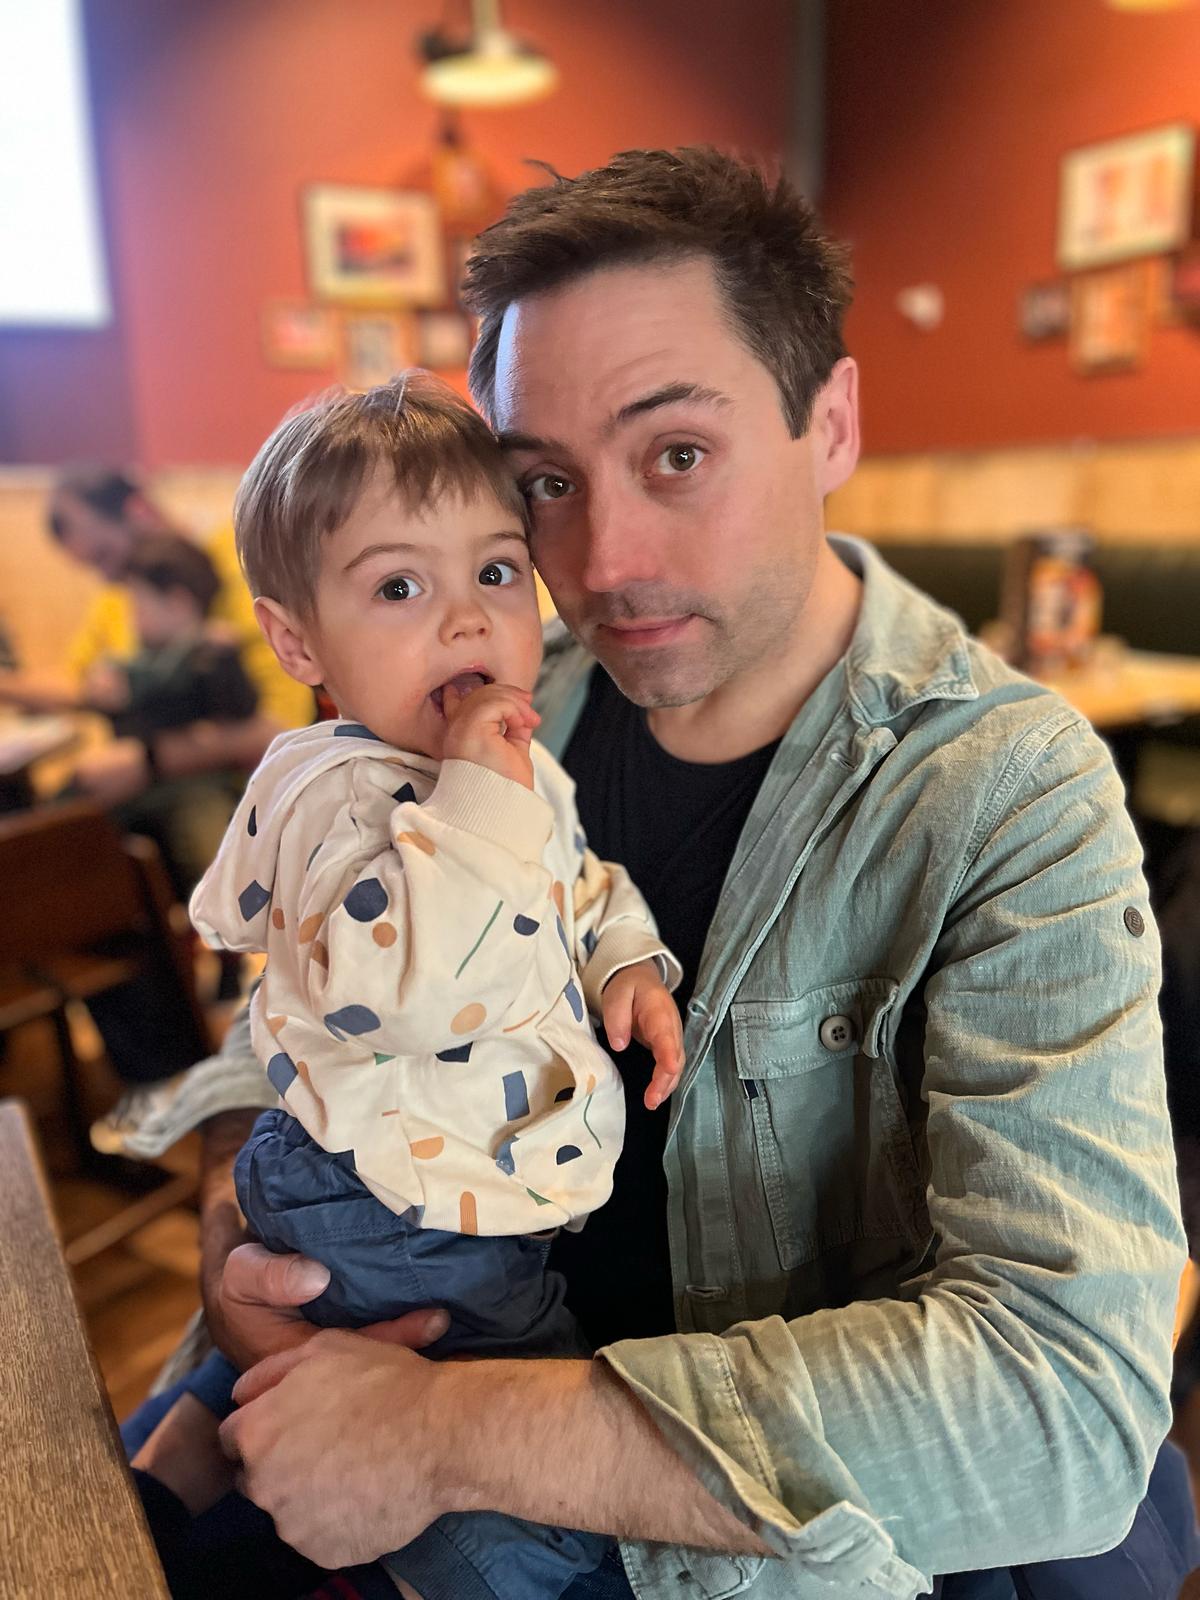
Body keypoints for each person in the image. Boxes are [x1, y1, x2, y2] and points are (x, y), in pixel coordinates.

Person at [125, 148, 1189, 1600]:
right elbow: (292, 1007)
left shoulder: (1008, 792)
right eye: (545, 484)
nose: (604, 557)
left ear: (831, 423)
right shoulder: (497, 701)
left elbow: (1063, 1408)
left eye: (677, 453)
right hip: (381, 1347)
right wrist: (238, 1256)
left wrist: (445, 1435)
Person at [135, 374, 685, 1600]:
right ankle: (464, 1568)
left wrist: (625, 956)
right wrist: (481, 796)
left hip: (451, 1182)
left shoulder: (501, 767)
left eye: (496, 571)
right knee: (487, 1402)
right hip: (384, 1195)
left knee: (407, 1376)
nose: (467, 618)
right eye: (398, 587)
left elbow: (577, 880)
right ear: (298, 644)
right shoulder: (332, 800)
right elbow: (403, 993)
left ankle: (189, 1489)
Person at [0, 466, 314, 808]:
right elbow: (77, 679)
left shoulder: (241, 561)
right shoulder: (120, 590)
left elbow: (282, 728)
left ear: (139, 511)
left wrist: (149, 760)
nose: (108, 578)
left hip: (240, 792)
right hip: (144, 782)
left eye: (104, 554)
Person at [79, 533, 259, 900]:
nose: (133, 619)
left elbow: (241, 707)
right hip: (144, 787)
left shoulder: (202, 654)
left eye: (139, 606)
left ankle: (232, 914)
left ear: (177, 603)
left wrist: (223, 658)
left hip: (198, 784)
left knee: (209, 847)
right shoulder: (146, 660)